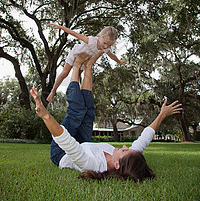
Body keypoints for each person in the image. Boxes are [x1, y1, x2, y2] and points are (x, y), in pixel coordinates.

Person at [30, 53, 182, 182]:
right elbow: (145, 138)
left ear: (116, 165)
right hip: (84, 144)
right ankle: (88, 66)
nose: (124, 147)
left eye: (123, 151)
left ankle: (76, 65)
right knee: (88, 112)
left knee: (77, 112)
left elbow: (66, 141)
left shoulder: (91, 163)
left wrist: (45, 115)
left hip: (62, 152)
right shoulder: (127, 158)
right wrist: (162, 114)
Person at [47, 24, 126, 103]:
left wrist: (119, 61)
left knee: (77, 76)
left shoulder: (106, 49)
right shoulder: (91, 41)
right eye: (105, 43)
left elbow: (112, 55)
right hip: (76, 54)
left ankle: (73, 93)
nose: (106, 46)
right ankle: (53, 90)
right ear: (99, 36)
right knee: (64, 73)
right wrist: (61, 27)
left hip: (84, 60)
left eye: (110, 45)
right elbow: (75, 34)